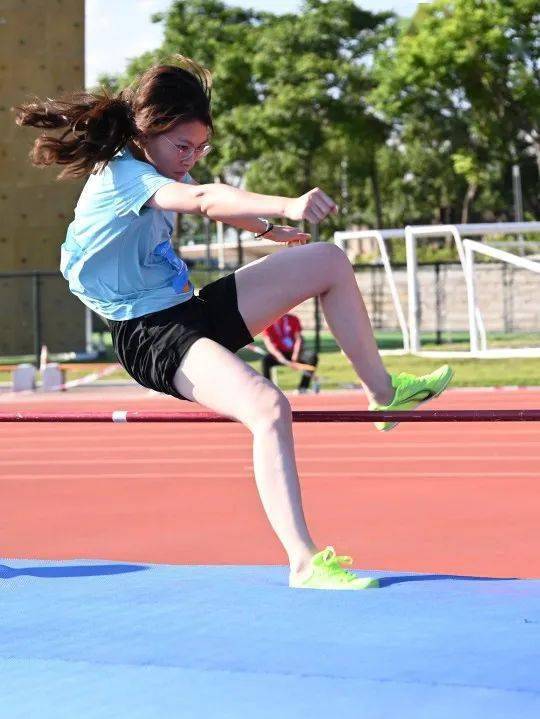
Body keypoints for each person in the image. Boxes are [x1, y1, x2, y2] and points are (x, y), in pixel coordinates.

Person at [16, 55, 453, 591]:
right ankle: (304, 562)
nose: (191, 158)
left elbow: (219, 201)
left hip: (188, 310)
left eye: (200, 148)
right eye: (183, 147)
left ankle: (382, 394)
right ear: (146, 132)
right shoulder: (123, 176)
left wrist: (267, 229)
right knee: (269, 406)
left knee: (329, 262)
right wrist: (289, 205)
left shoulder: (162, 165)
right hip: (150, 335)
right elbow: (202, 200)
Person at [262, 313, 318, 393]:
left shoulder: (293, 319)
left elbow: (298, 339)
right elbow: (268, 343)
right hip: (279, 353)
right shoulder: (266, 322)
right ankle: (268, 389)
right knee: (266, 361)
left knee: (312, 357)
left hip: (294, 352)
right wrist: (280, 357)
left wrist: (295, 355)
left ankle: (302, 388)